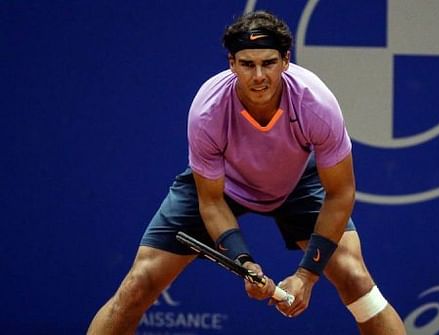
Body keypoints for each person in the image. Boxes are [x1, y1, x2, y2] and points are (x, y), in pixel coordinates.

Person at [87, 10, 406, 335]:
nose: (258, 76)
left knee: (355, 277)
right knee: (137, 285)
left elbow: (340, 194)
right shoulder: (208, 110)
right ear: (231, 63)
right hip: (222, 183)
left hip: (295, 179)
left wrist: (306, 276)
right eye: (247, 64)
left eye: (268, 63)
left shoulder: (316, 104)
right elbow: (210, 202)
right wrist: (245, 263)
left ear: (285, 60)